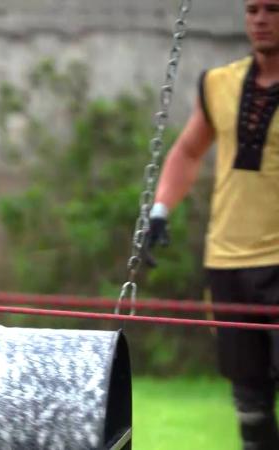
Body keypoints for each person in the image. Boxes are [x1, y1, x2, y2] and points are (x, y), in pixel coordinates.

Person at [147, 1, 279, 448]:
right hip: (228, 261)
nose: (260, 20)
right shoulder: (219, 84)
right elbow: (187, 151)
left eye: (274, 10)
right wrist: (160, 211)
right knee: (250, 401)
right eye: (253, 9)